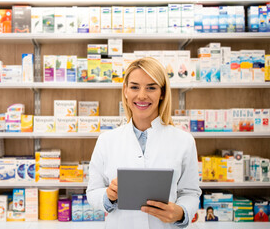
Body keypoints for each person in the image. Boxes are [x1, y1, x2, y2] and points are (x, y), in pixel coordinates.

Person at [86, 57, 202, 229]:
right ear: (125, 90)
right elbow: (93, 192)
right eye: (134, 87)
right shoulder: (106, 141)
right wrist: (107, 196)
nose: (141, 95)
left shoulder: (184, 141)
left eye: (151, 88)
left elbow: (190, 193)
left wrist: (181, 212)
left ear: (162, 92)